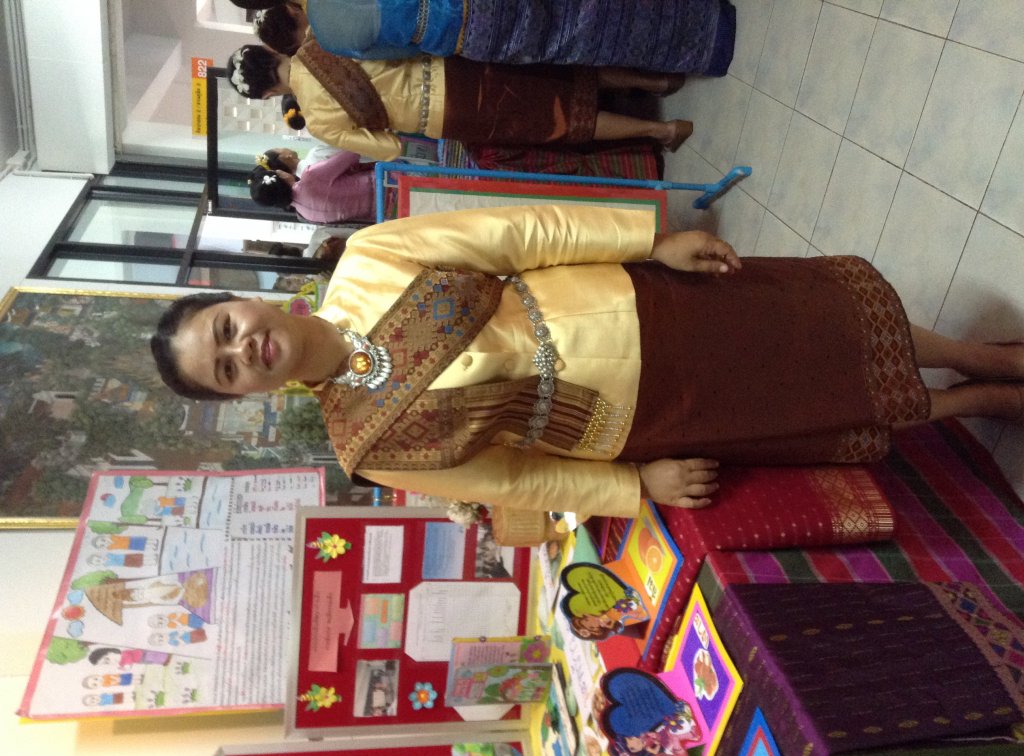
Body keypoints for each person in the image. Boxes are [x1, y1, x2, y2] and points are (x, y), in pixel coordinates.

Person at [149, 205, 1024, 520]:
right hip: (638, 417)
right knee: (810, 401)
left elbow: (517, 234)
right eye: (226, 369)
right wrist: (635, 486)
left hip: (638, 303)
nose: (241, 349)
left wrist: (649, 240)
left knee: (819, 321)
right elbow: (513, 481)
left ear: (245, 303)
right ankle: (974, 400)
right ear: (245, 393)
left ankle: (978, 354)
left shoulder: (372, 257)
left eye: (225, 328)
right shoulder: (365, 443)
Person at [226, 43, 693, 162]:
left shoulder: (320, 125)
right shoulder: (323, 42)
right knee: (560, 75)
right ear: (270, 53)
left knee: (558, 120)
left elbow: (390, 148)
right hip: (452, 68)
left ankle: (663, 131)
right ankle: (655, 82)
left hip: (450, 116)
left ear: (268, 95)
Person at [235, 0, 735, 76]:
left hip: (468, 37)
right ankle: (704, 15)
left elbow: (404, 53)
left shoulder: (331, 41)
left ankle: (700, 50)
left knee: (583, 38)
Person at [249, 148, 375, 223]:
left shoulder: (306, 215)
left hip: (381, 214)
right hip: (384, 183)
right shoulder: (310, 177)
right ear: (280, 177)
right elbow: (352, 154)